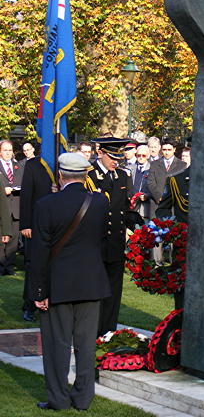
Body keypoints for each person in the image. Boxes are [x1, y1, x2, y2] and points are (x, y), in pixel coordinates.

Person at [30, 153, 110, 411]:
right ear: (86, 175)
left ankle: (58, 398)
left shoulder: (46, 205)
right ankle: (83, 397)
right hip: (91, 282)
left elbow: (39, 253)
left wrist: (39, 290)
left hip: (58, 283)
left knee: (57, 345)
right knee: (86, 345)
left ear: (61, 175)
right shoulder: (99, 202)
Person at [86, 137, 137, 335]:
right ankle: (93, 331)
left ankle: (109, 331)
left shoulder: (122, 176)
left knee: (113, 292)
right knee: (94, 292)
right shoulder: (89, 176)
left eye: (119, 156)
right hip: (95, 244)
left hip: (115, 243)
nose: (116, 161)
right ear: (100, 153)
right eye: (112, 156)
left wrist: (136, 224)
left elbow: (124, 208)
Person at [19, 156, 53, 322]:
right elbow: (26, 195)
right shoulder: (33, 165)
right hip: (36, 225)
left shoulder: (64, 161)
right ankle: (30, 306)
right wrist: (26, 224)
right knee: (34, 266)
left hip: (59, 227)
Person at [155, 165, 190, 308]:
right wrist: (172, 226)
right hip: (184, 245)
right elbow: (162, 209)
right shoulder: (177, 180)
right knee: (182, 289)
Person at [0, 139, 24, 275]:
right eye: (5, 150)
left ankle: (9, 267)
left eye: (10, 150)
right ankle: (0, 266)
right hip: (1, 206)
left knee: (14, 239)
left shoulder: (18, 166)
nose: (8, 153)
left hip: (15, 206)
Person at [147, 137, 187, 207]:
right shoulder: (154, 164)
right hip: (156, 203)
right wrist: (158, 196)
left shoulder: (182, 165)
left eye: (169, 150)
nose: (167, 152)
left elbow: (182, 185)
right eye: (164, 150)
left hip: (175, 204)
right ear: (161, 150)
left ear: (174, 149)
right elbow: (150, 182)